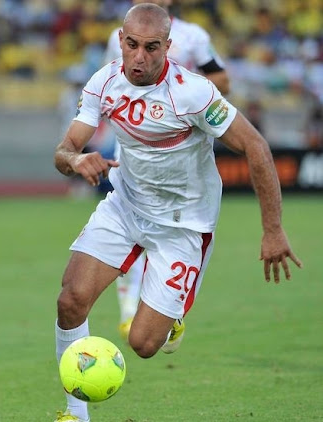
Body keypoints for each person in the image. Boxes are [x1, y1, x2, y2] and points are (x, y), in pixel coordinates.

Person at [52, 5, 301, 422]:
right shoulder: (104, 82)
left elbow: (255, 146)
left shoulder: (193, 93)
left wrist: (273, 229)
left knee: (145, 344)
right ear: (120, 40)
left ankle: (172, 317)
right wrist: (74, 162)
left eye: (152, 48)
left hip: (184, 224)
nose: (140, 57)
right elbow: (64, 150)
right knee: (70, 300)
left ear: (168, 47)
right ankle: (75, 414)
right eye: (132, 45)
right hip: (125, 206)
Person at [102, 0, 231, 341]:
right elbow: (110, 84)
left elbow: (223, 79)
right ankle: (129, 309)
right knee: (127, 223)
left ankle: (164, 307)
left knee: (167, 230)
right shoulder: (121, 36)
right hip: (132, 142)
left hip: (178, 144)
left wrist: (181, 90)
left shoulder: (193, 37)